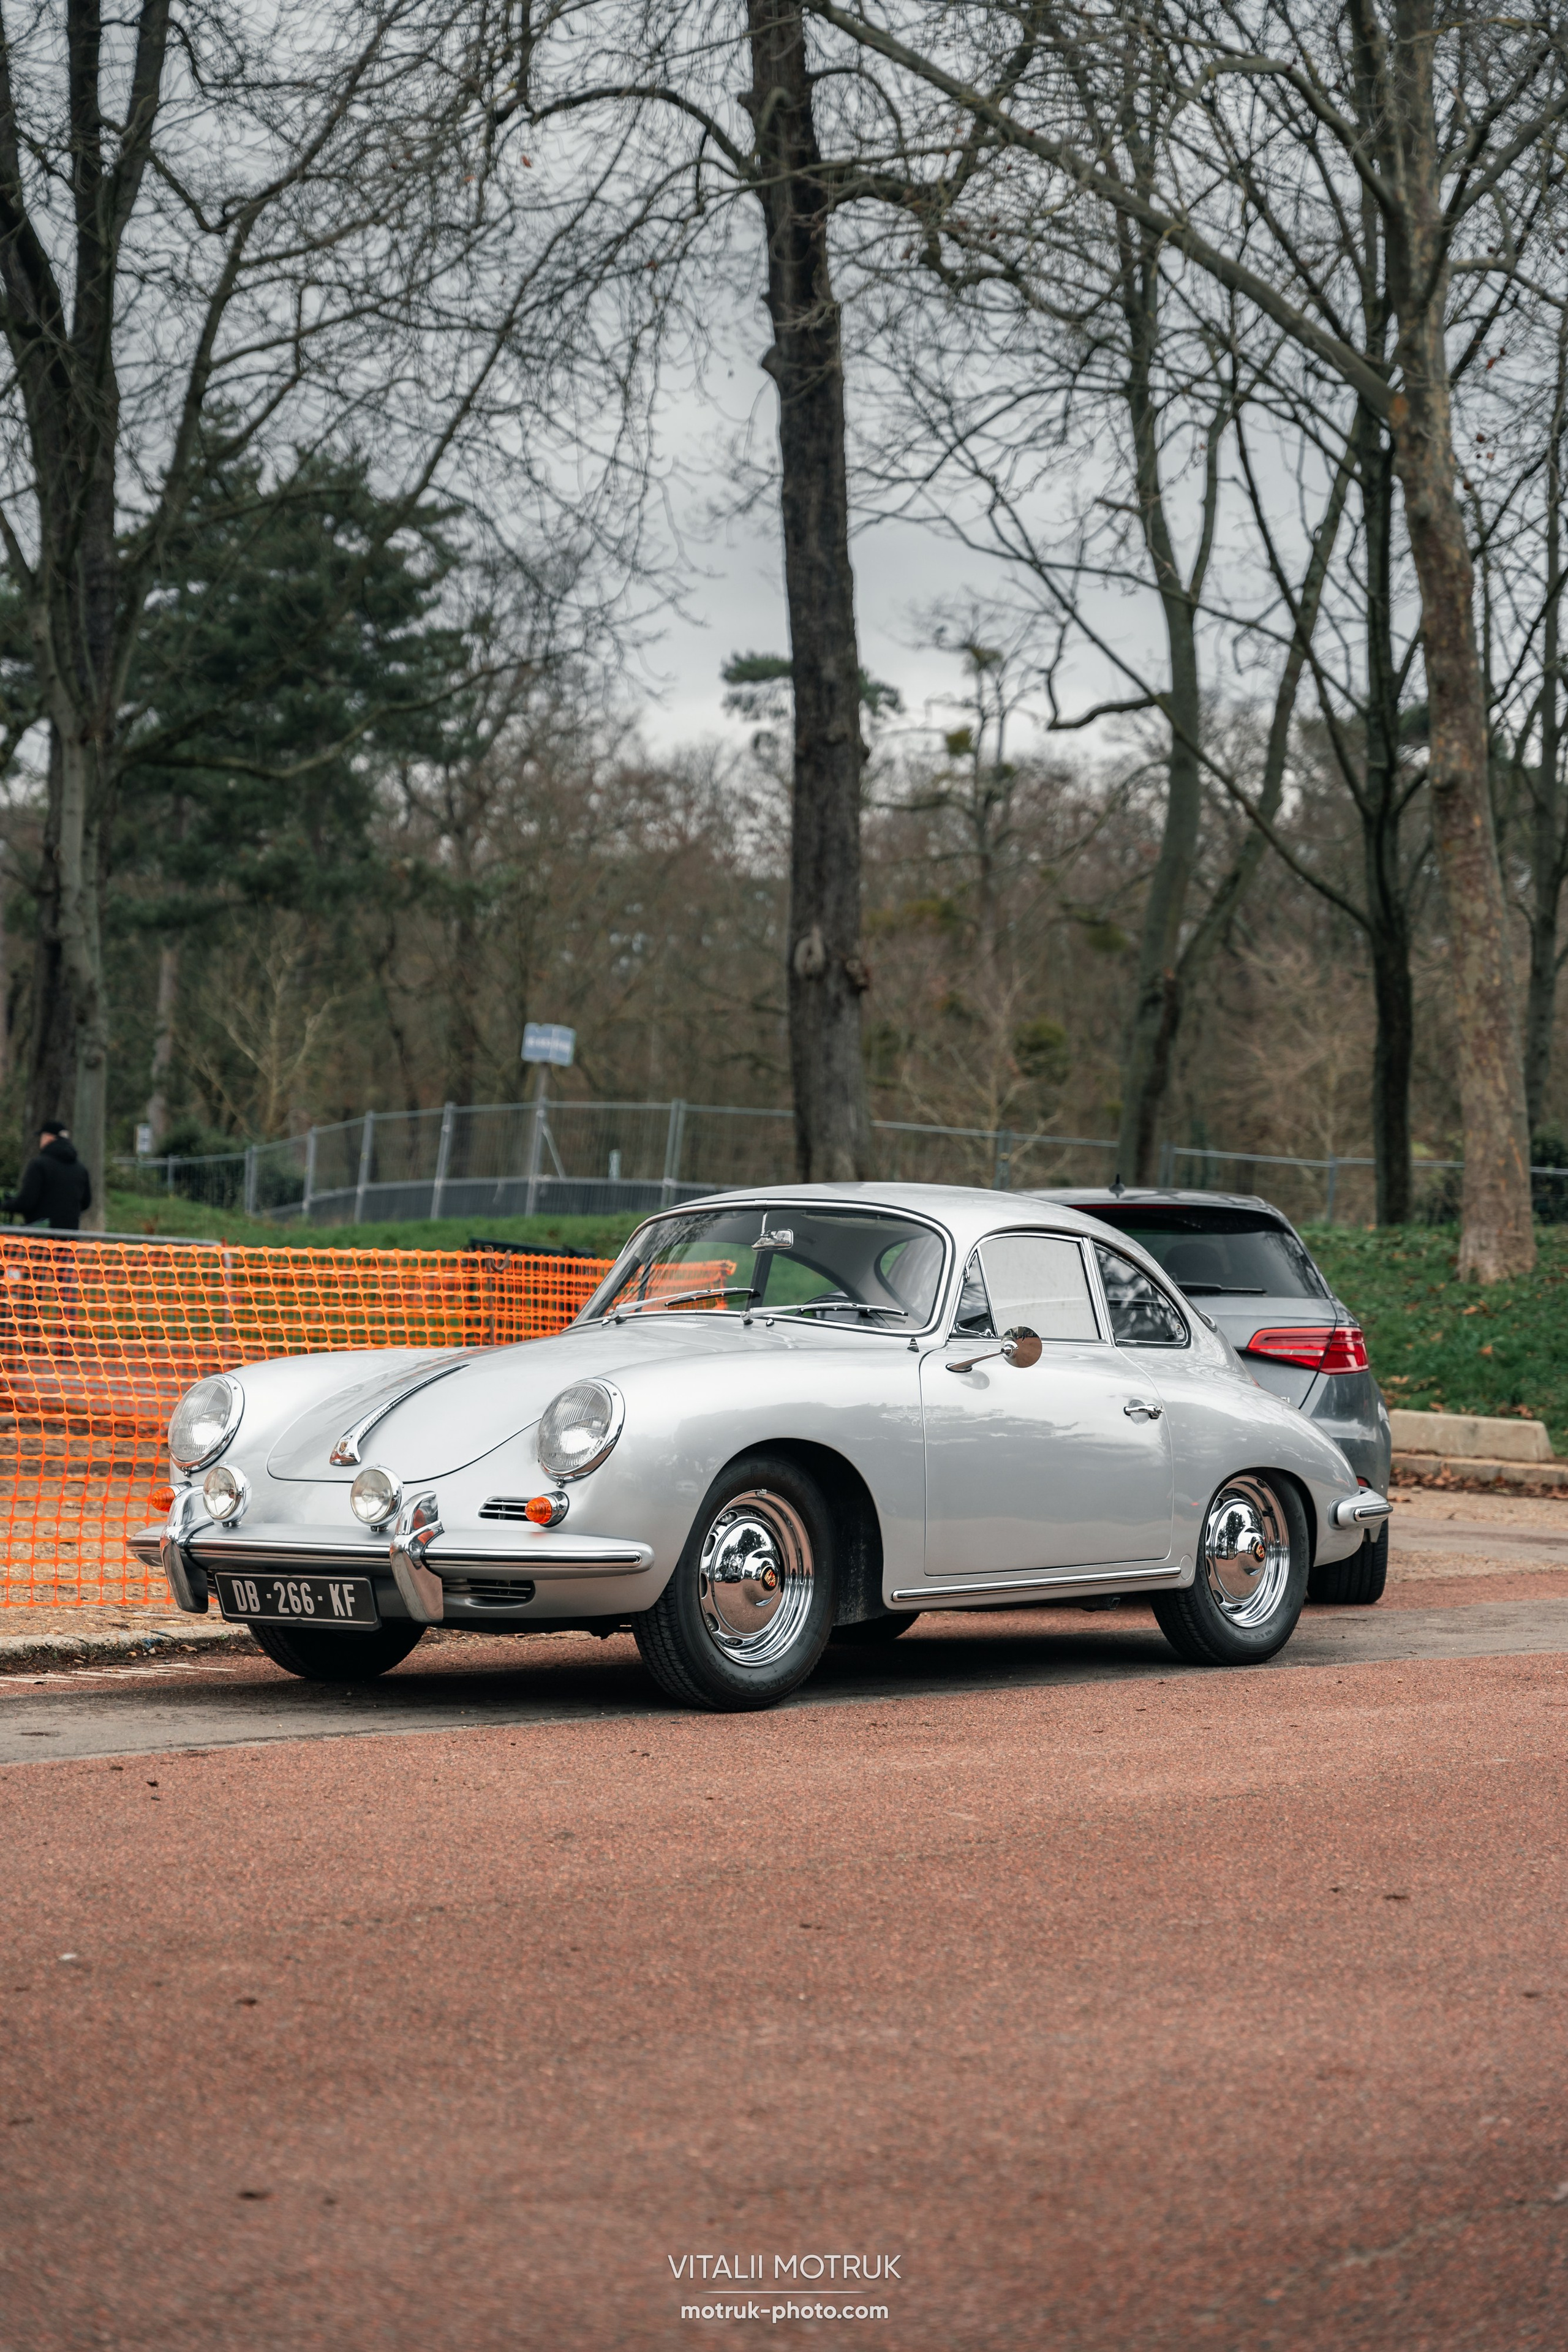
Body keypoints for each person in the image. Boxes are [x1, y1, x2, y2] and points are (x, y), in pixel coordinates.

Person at [3, 1121, 93, 1230]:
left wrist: (7, 1205)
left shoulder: (39, 1165)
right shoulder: (81, 1168)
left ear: (48, 1137)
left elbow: (26, 1202)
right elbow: (86, 1202)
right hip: (70, 1236)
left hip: (40, 1238)